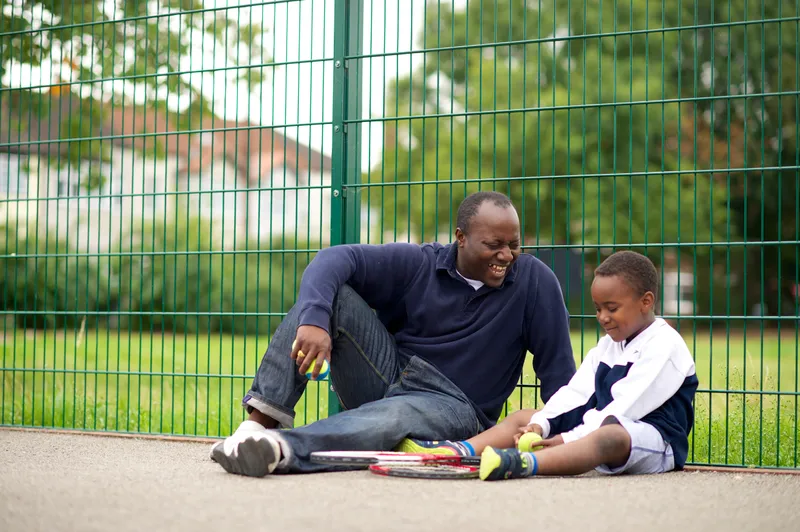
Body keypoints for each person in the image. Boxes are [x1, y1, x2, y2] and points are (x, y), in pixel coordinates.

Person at [210, 191, 577, 476]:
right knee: (327, 296)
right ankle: (252, 429)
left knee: (394, 414)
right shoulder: (421, 264)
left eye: (513, 244)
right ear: (461, 238)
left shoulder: (534, 282)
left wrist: (567, 435)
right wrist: (316, 319)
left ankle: (280, 448)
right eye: (493, 245)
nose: (507, 255)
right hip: (391, 374)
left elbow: (559, 373)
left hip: (456, 405)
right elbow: (334, 259)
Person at [397, 250, 699, 481]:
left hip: (655, 442)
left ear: (646, 302)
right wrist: (541, 425)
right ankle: (456, 452)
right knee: (526, 416)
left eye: (612, 308)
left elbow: (622, 411)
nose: (602, 317)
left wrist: (564, 439)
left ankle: (522, 464)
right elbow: (576, 392)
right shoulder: (611, 344)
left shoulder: (665, 346)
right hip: (601, 426)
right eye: (597, 309)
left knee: (610, 434)